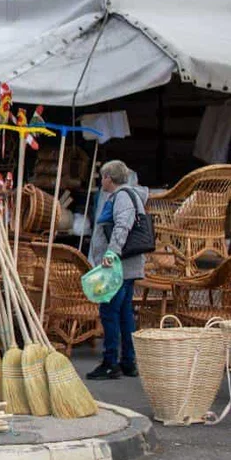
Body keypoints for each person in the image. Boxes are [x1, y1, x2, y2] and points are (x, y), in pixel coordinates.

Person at [87, 160, 147, 381]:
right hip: (127, 266)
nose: (101, 180)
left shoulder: (122, 197)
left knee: (109, 312)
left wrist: (111, 254)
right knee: (124, 313)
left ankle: (110, 362)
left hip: (118, 266)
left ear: (109, 179)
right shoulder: (127, 195)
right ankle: (128, 362)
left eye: (102, 176)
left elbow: (122, 226)